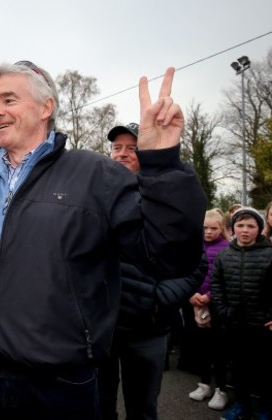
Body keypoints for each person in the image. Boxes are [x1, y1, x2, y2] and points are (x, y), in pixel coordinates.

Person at [0, 61, 206, 419]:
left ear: (46, 108)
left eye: (8, 99)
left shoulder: (96, 174)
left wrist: (163, 163)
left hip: (59, 388)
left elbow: (169, 257)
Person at [97, 123, 207, 420]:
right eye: (116, 148)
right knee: (97, 406)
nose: (122, 154)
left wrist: (162, 297)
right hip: (100, 329)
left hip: (148, 329)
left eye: (131, 148)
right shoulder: (95, 196)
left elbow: (197, 261)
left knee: (143, 409)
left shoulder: (166, 197)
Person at [211, 207, 272, 420]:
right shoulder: (224, 255)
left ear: (259, 228)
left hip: (262, 325)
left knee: (264, 369)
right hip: (234, 322)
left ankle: (265, 408)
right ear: (234, 228)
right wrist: (223, 310)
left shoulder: (270, 253)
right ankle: (241, 405)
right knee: (238, 368)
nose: (245, 230)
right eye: (240, 225)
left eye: (251, 226)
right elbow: (216, 285)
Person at [185, 208, 231, 411]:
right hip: (195, 302)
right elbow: (186, 271)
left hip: (216, 306)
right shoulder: (193, 247)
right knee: (200, 347)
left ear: (221, 228)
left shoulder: (226, 248)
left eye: (213, 228)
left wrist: (209, 296)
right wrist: (191, 293)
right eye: (205, 228)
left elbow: (225, 279)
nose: (209, 232)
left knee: (218, 349)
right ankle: (204, 384)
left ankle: (222, 389)